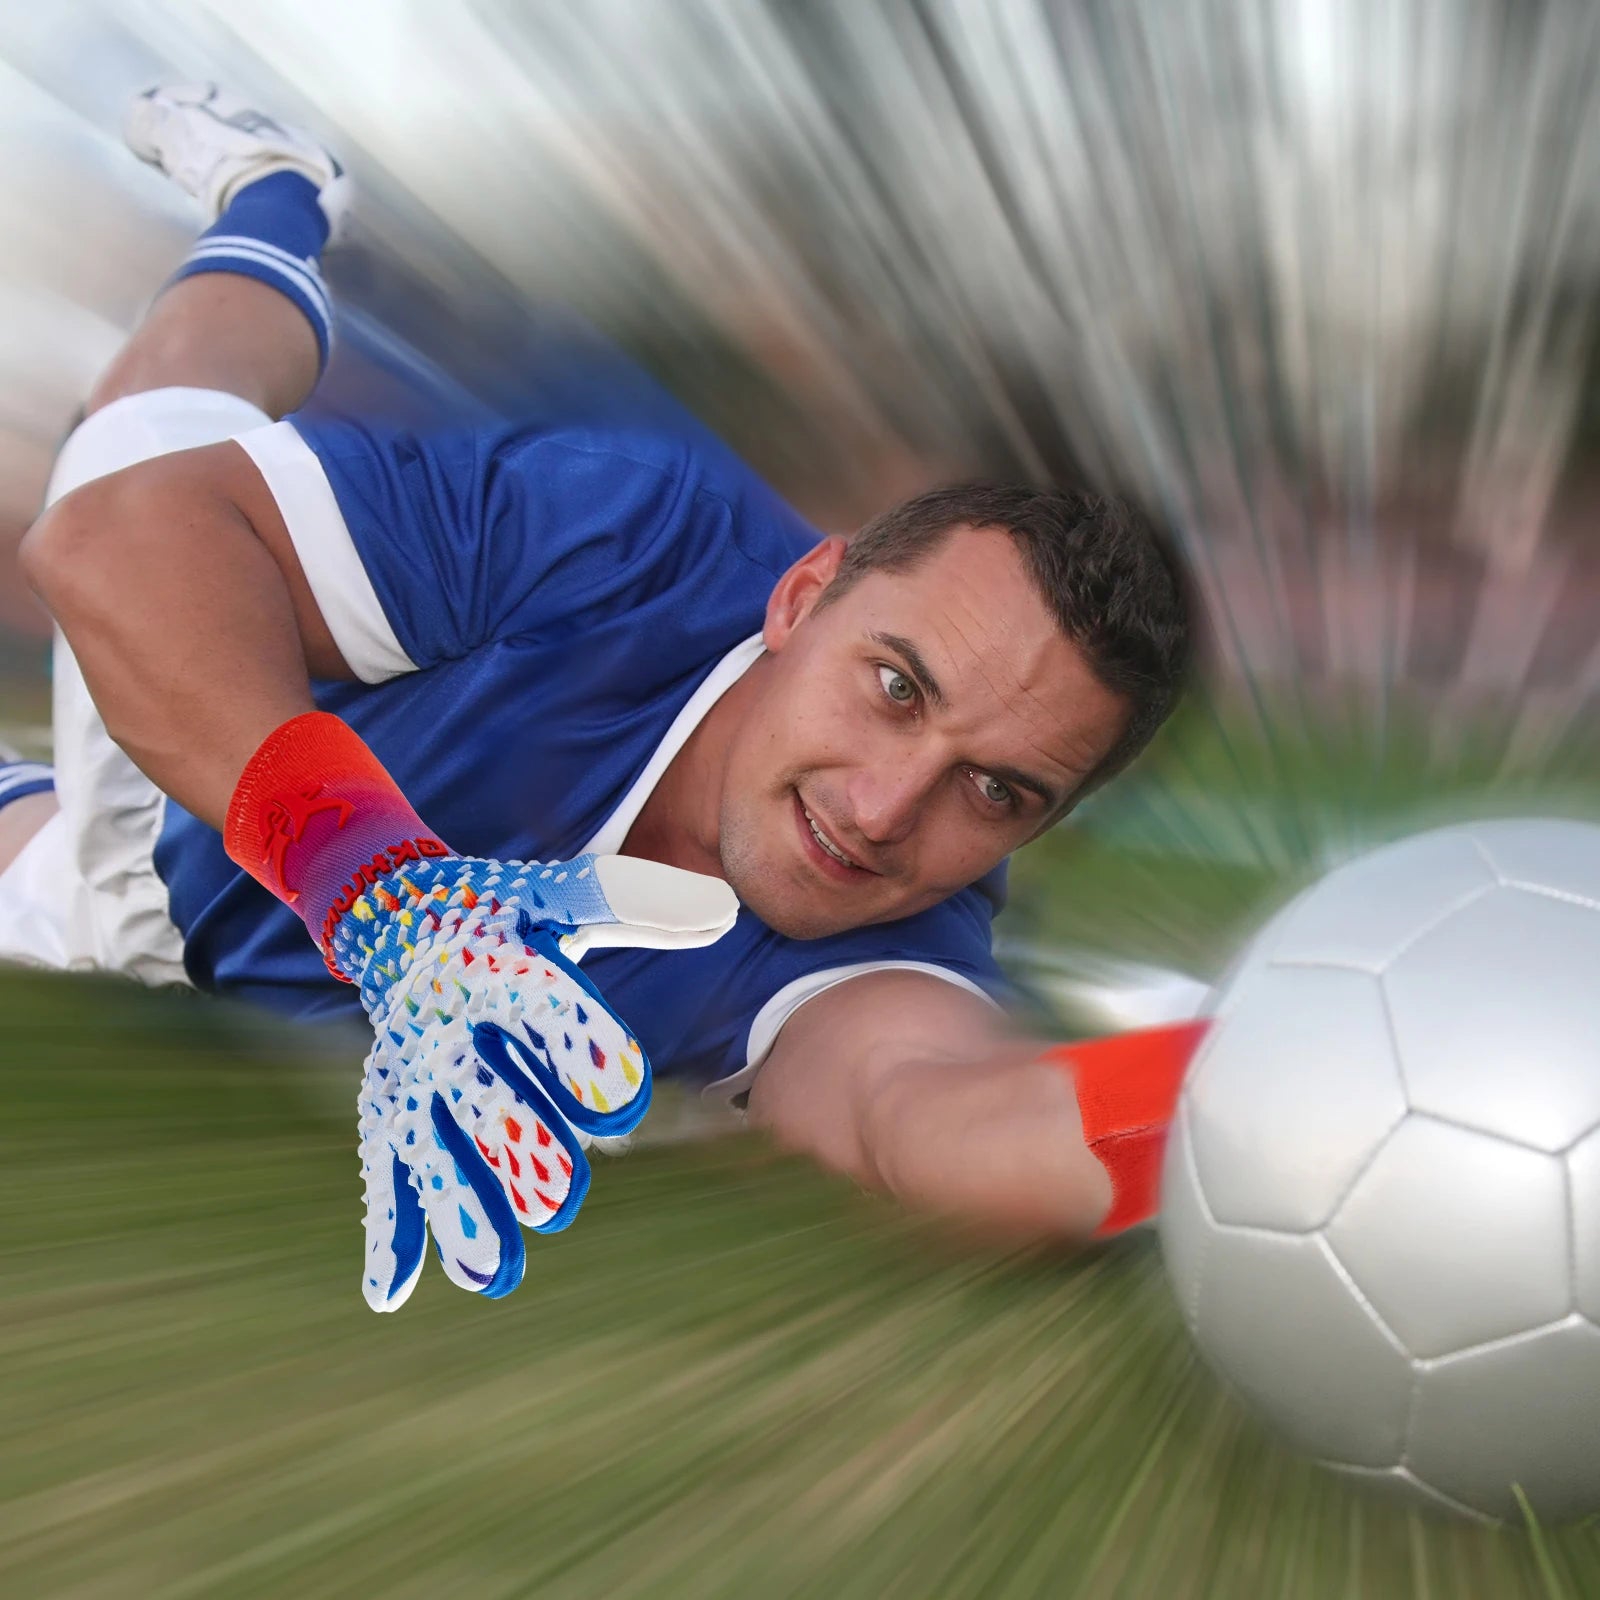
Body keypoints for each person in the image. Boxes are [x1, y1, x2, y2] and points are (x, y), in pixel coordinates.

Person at [5, 86, 1202, 1309]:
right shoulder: (627, 536)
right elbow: (111, 545)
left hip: (190, 948)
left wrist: (1256, 1105)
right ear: (799, 598)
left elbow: (927, 1113)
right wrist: (378, 889)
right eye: (895, 688)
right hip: (191, 785)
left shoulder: (893, 954)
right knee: (144, 430)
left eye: (995, 790)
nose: (888, 807)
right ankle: (274, 190)